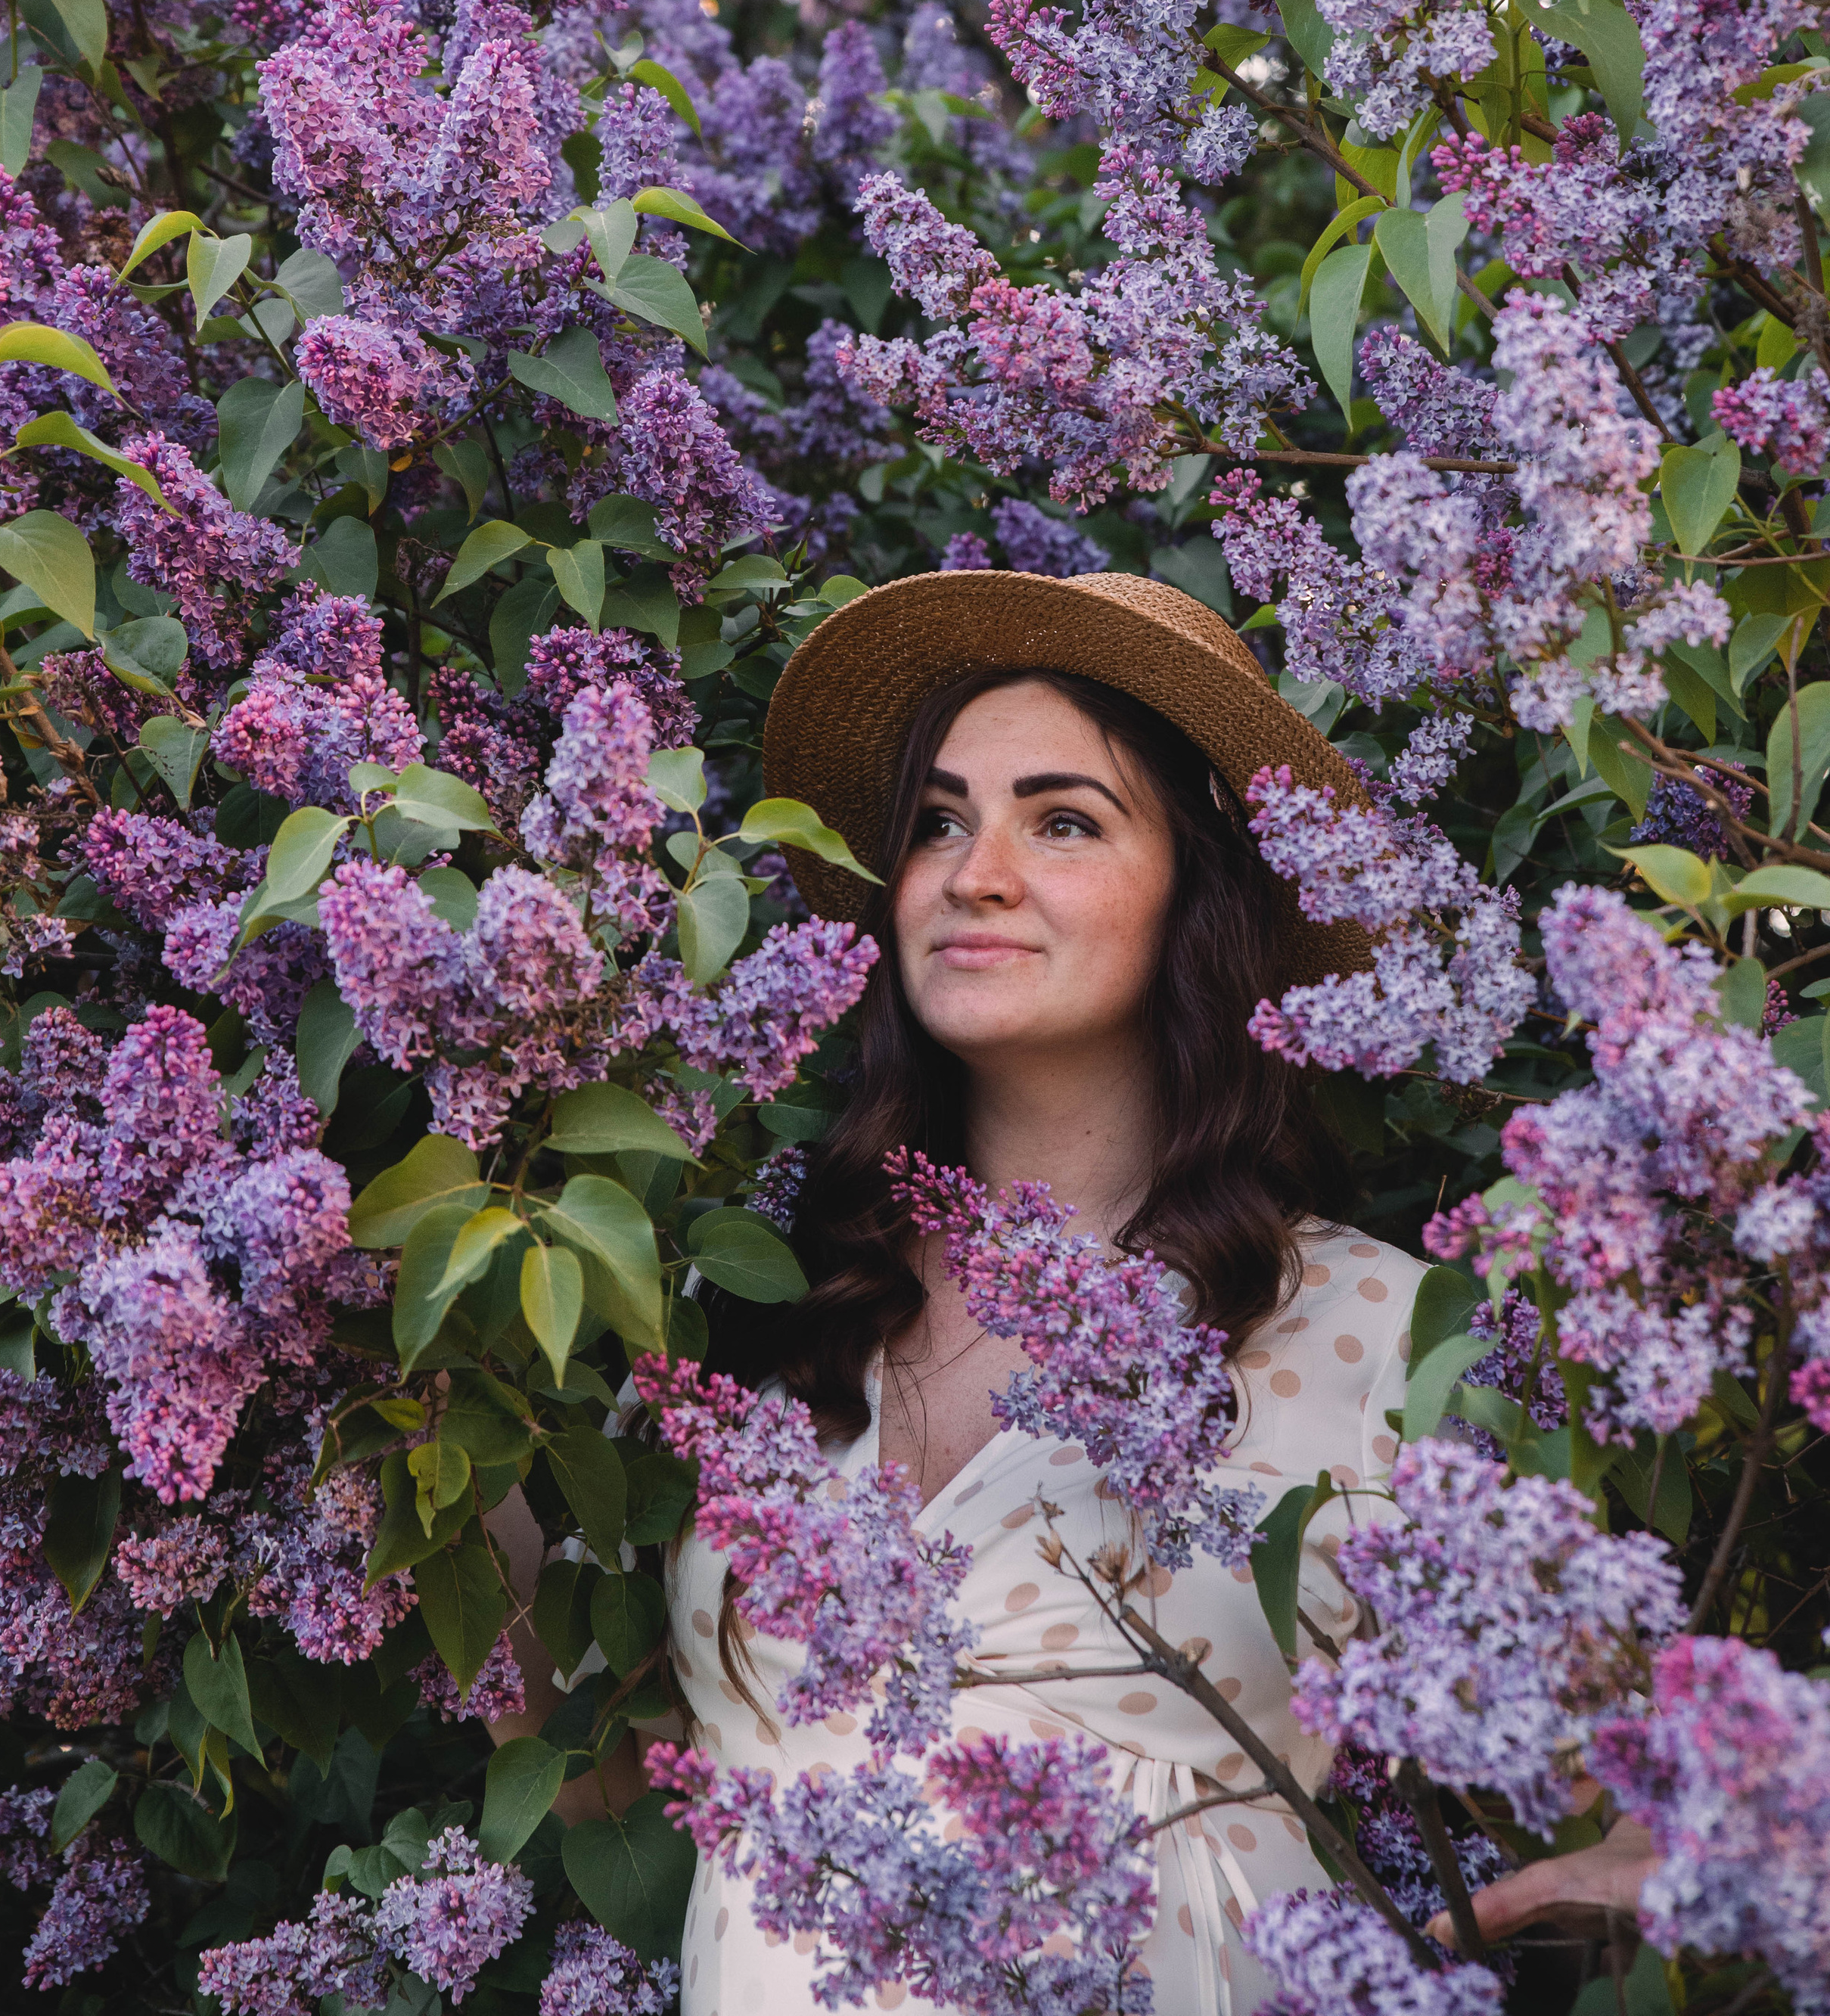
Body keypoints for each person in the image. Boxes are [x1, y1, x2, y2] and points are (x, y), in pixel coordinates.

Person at [489, 570, 1654, 2012]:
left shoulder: (1381, 1336)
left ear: (1200, 896)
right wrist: (454, 1419)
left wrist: (1461, 1951)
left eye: (1063, 820)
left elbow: (1639, 1809)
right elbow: (612, 1802)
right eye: (936, 822)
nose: (976, 872)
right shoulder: (763, 1307)